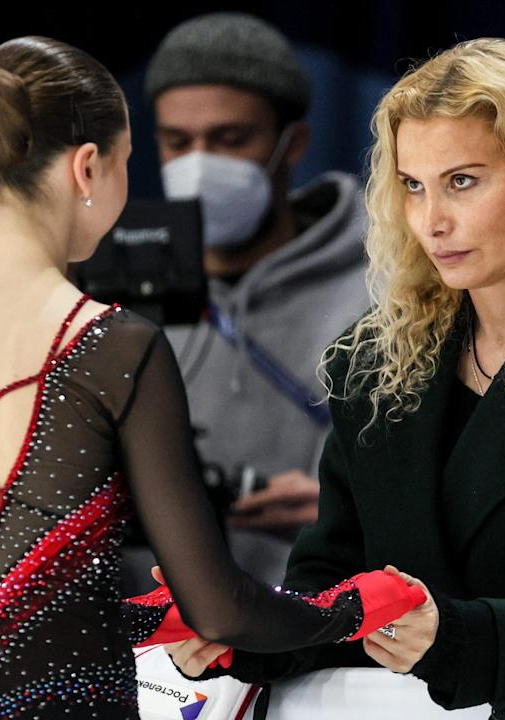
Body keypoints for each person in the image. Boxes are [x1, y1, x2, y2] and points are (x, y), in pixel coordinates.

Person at [0, 36, 424, 719]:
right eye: (132, 163)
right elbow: (225, 610)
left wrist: (145, 615)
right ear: (89, 167)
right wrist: (359, 606)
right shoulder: (107, 341)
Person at [165, 37, 505, 717]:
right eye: (412, 187)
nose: (433, 221)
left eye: (463, 181)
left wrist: (454, 638)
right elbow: (330, 586)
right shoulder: (370, 360)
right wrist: (241, 632)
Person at [141, 13, 369, 583]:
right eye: (177, 142)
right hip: (151, 638)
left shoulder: (390, 280)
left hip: (331, 632)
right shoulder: (121, 277)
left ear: (292, 144)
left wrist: (359, 510)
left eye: (230, 139)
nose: (199, 163)